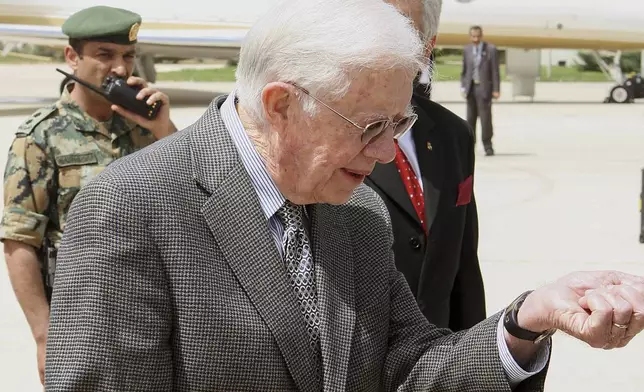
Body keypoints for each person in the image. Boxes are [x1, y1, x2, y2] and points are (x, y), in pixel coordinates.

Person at [45, 0, 644, 391]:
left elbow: (408, 369)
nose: (387, 154)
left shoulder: (356, 211)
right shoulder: (129, 209)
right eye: (370, 127)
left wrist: (526, 320)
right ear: (280, 105)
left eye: (399, 125)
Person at [0, 5, 176, 386]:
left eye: (128, 56)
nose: (120, 69)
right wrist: (44, 337)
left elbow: (192, 193)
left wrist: (165, 130)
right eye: (104, 55)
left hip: (150, 314)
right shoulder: (39, 138)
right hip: (81, 322)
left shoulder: (144, 126)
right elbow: (19, 242)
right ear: (71, 57)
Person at [366, 0, 485, 332]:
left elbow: (464, 269)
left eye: (399, 29)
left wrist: (471, 362)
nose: (381, 40)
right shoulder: (321, 131)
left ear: (427, 46)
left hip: (436, 354)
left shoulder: (453, 135)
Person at [460, 25, 500, 156]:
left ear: (481, 36)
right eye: (473, 36)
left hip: (484, 89)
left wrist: (496, 89)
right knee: (470, 119)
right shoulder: (467, 50)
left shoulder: (491, 49)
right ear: (470, 36)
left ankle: (488, 145)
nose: (475, 39)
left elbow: (495, 71)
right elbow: (464, 70)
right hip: (470, 89)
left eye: (478, 36)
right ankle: (470, 145)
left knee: (485, 119)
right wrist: (463, 86)